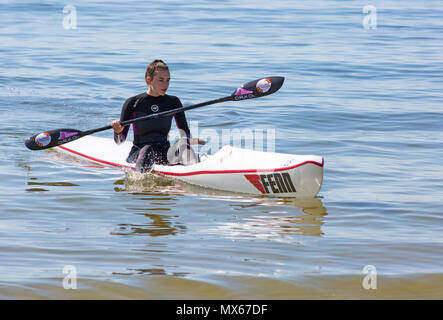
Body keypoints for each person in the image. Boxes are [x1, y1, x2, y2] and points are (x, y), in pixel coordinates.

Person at [111, 60, 204, 172]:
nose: (166, 85)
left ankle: (196, 172)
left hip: (164, 153)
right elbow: (120, 141)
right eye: (161, 80)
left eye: (168, 80)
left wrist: (189, 143)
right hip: (139, 153)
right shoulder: (133, 103)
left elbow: (185, 134)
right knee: (147, 149)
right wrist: (117, 132)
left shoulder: (173, 102)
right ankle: (140, 182)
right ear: (148, 80)